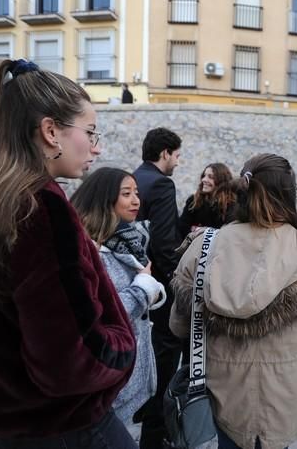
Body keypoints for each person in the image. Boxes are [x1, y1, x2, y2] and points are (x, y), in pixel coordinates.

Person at [0, 59, 137, 447]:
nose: (98, 146)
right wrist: (123, 348)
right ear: (50, 131)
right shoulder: (40, 208)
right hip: (63, 425)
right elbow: (69, 360)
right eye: (90, 131)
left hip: (7, 417)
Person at [169, 153, 297, 449]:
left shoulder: (204, 245)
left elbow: (178, 326)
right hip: (285, 402)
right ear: (290, 196)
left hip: (221, 400)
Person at [71, 167, 167, 426]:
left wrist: (148, 287)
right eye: (127, 193)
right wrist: (144, 289)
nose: (136, 200)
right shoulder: (88, 249)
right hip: (106, 383)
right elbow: (97, 312)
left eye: (136, 193)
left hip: (125, 379)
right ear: (104, 198)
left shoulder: (126, 239)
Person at [132, 127, 184, 449]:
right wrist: (182, 284)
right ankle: (155, 434)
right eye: (177, 155)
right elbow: (165, 244)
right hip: (160, 290)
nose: (178, 162)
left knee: (143, 351)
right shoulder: (163, 184)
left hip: (135, 285)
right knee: (164, 358)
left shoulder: (133, 178)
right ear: (165, 153)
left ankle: (140, 410)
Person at [178, 162, 236, 235]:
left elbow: (229, 233)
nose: (204, 180)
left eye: (210, 177)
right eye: (204, 176)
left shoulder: (231, 204)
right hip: (195, 244)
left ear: (221, 181)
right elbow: (182, 227)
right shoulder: (194, 200)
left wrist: (204, 230)